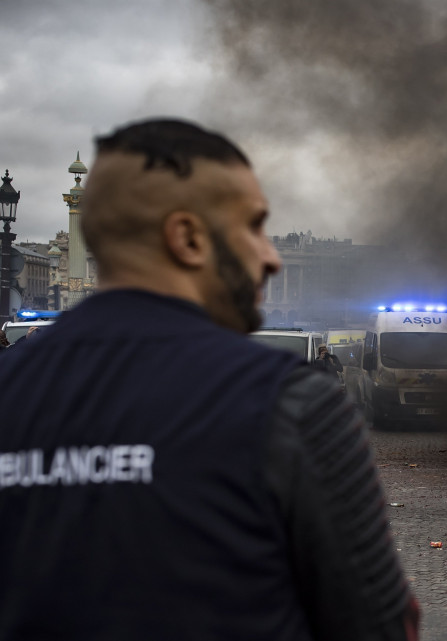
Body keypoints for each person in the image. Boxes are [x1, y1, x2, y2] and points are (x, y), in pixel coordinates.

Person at [0, 119, 418, 640]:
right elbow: (377, 626)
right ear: (188, 238)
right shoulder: (289, 405)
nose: (270, 258)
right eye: (253, 228)